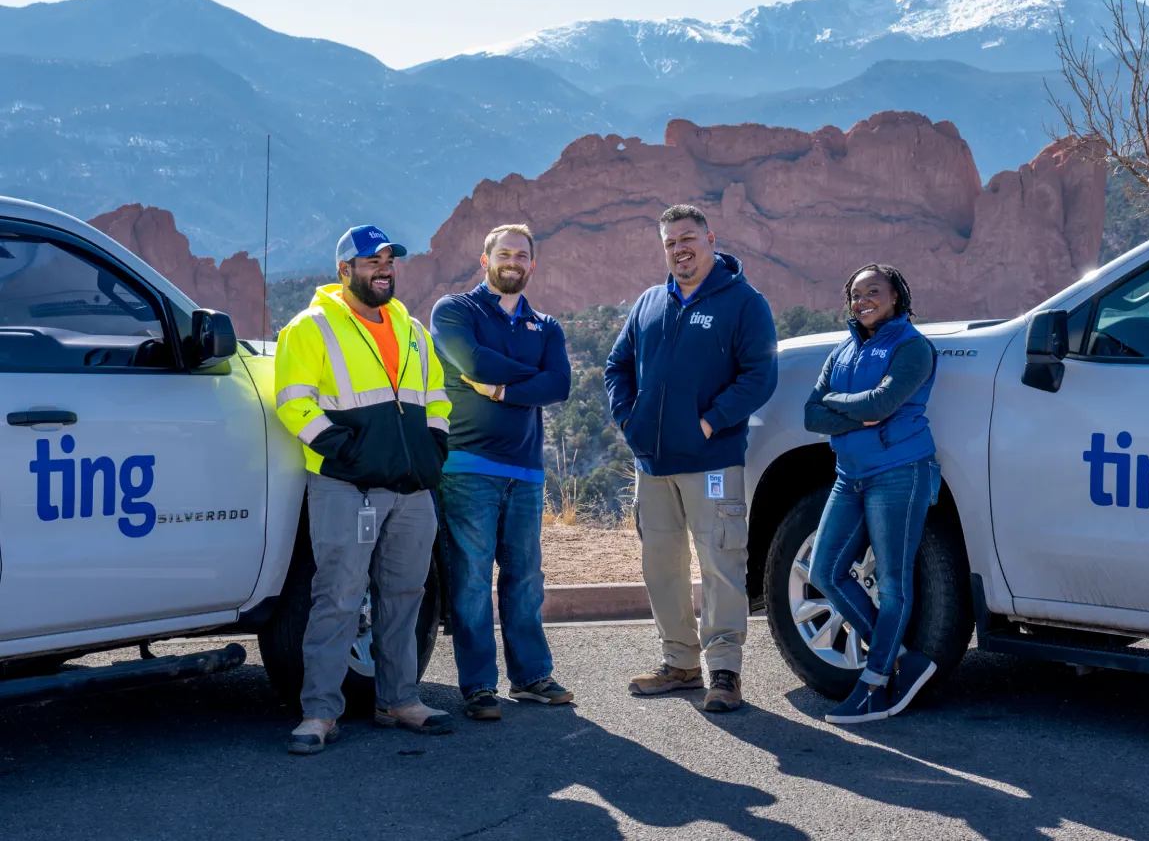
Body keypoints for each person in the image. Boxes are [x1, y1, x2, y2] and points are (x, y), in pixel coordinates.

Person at [273, 225, 454, 754]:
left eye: (389, 259)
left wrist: (433, 448)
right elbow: (293, 401)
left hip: (410, 486)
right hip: (348, 487)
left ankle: (398, 700)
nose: (383, 268)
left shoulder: (414, 330)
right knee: (339, 598)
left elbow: (437, 397)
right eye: (371, 260)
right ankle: (320, 713)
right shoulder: (311, 327)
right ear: (344, 270)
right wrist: (344, 451)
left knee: (404, 596)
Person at [605, 203, 778, 713]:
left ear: (710, 239)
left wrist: (709, 422)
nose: (680, 249)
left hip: (712, 462)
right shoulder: (650, 302)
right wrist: (628, 421)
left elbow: (759, 376)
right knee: (661, 566)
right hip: (653, 465)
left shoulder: (744, 302)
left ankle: (724, 671)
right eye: (670, 242)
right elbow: (617, 366)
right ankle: (679, 663)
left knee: (721, 563)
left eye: (688, 239)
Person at [430, 224, 573, 721]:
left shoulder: (546, 325)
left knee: (525, 579)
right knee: (470, 579)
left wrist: (504, 387)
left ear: (532, 264)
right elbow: (470, 359)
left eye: (522, 255)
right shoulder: (454, 311)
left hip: (527, 471)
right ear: (485, 258)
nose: (513, 261)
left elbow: (560, 385)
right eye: (504, 253)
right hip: (468, 466)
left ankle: (532, 677)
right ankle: (478, 686)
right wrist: (528, 375)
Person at [802, 263, 941, 725]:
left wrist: (838, 405)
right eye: (855, 294)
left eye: (873, 292)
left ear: (896, 296)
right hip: (850, 475)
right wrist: (855, 411)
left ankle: (876, 684)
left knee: (893, 585)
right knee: (824, 570)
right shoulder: (842, 351)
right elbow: (809, 415)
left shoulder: (913, 347)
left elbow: (882, 404)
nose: (862, 301)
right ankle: (901, 657)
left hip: (900, 472)